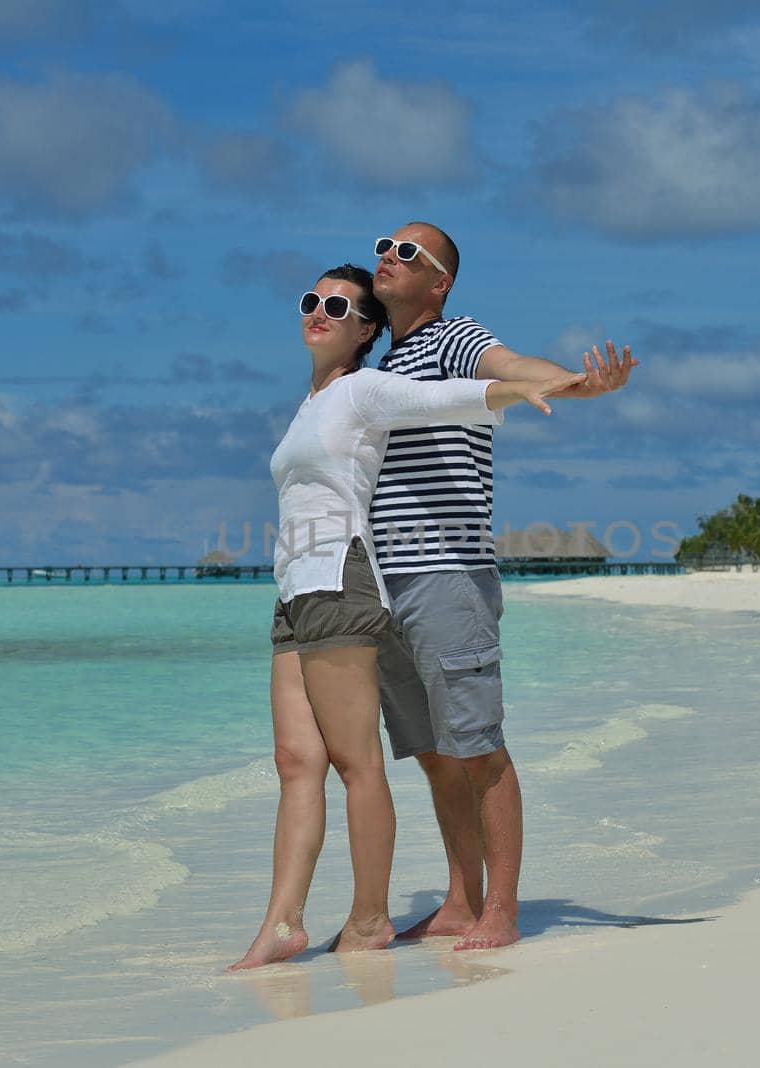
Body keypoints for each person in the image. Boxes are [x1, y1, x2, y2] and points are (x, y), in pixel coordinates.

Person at [228, 265, 582, 972]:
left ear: (365, 329)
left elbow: (450, 397)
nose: (318, 313)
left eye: (336, 306)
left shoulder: (365, 388)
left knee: (359, 763)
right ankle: (281, 924)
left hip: (340, 580)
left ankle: (368, 919)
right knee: (296, 762)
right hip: (293, 588)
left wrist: (539, 384)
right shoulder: (309, 404)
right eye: (311, 301)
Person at [368, 223, 637, 951]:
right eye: (383, 247)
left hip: (447, 575)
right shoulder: (379, 363)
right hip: (384, 584)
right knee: (432, 752)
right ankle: (461, 899)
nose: (387, 257)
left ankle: (503, 911)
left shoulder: (454, 338)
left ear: (439, 282)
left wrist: (577, 386)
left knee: (479, 748)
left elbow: (513, 366)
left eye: (407, 253)